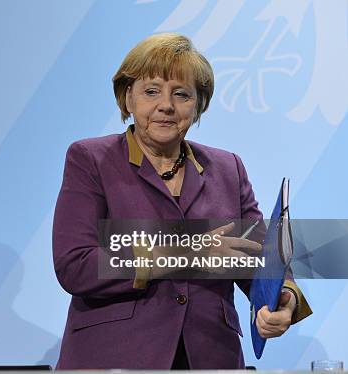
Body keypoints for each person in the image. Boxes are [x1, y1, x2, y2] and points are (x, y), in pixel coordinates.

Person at [52, 33, 312, 369]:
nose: (166, 105)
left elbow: (259, 261)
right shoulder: (91, 159)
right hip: (116, 357)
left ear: (199, 104)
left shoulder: (227, 168)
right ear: (128, 96)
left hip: (210, 356)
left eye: (181, 94)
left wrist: (285, 299)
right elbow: (76, 265)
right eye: (151, 91)